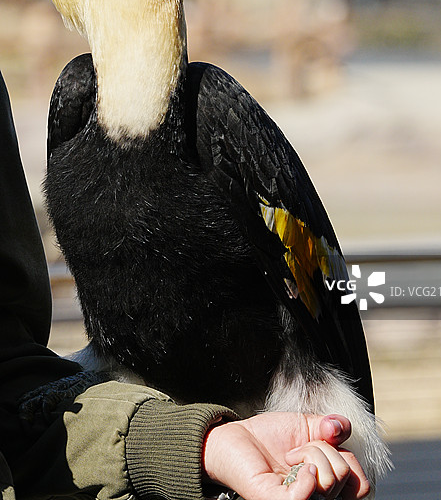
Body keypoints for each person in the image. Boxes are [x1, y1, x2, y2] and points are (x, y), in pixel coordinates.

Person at [0, 69, 370, 500]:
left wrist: (201, 446)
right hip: (127, 387)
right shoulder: (78, 102)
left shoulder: (208, 107)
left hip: (292, 392)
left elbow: (12, 378)